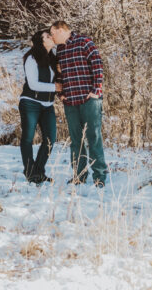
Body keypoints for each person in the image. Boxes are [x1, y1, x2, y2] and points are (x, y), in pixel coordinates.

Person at [49, 21, 107, 186]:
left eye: (53, 33)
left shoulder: (84, 42)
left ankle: (99, 177)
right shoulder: (60, 49)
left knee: (93, 137)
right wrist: (60, 94)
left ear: (61, 30)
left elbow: (97, 65)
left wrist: (96, 90)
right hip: (71, 101)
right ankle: (79, 176)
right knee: (76, 141)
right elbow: (59, 74)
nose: (52, 37)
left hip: (89, 100)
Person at [19, 28, 58, 184]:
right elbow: (33, 84)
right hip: (30, 102)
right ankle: (30, 172)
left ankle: (39, 171)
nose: (51, 37)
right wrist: (55, 88)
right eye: (47, 36)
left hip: (48, 105)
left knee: (50, 138)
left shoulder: (52, 59)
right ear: (41, 41)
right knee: (28, 138)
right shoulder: (31, 58)